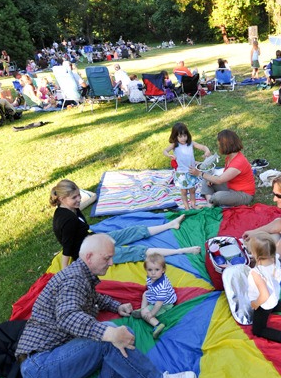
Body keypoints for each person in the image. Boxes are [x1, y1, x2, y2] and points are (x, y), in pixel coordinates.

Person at [15, 233, 197, 378]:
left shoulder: (79, 275)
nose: (111, 263)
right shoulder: (73, 281)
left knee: (121, 333)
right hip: (41, 368)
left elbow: (92, 298)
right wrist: (108, 333)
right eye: (107, 258)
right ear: (89, 257)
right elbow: (68, 316)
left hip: (46, 362)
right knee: (110, 336)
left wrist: (116, 306)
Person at [50, 179, 201, 269]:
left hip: (93, 240)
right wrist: (66, 272)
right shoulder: (67, 219)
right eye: (74, 198)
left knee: (133, 231)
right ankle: (182, 250)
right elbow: (67, 249)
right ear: (62, 199)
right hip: (91, 254)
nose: (79, 200)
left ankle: (170, 225)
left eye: (79, 196)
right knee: (137, 250)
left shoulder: (70, 209)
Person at [189, 129, 255, 207]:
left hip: (243, 194)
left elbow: (220, 180)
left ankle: (211, 201)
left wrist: (199, 173)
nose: (218, 146)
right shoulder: (230, 157)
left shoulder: (238, 162)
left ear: (225, 145)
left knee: (218, 196)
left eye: (220, 144)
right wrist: (212, 179)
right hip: (231, 186)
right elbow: (224, 177)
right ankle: (210, 203)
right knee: (207, 179)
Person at [164, 122, 211, 210]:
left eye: (185, 135)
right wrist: (168, 155)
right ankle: (186, 207)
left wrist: (207, 150)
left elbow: (202, 146)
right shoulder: (175, 145)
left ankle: (193, 205)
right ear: (175, 136)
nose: (183, 138)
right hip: (181, 173)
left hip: (191, 171)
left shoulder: (190, 143)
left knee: (192, 190)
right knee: (184, 191)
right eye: (180, 136)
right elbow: (165, 150)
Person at [132, 253, 177, 339]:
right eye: (150, 270)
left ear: (163, 270)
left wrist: (151, 314)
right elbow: (150, 288)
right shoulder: (152, 277)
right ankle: (142, 310)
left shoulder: (162, 287)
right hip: (155, 296)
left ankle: (157, 324)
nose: (153, 273)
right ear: (146, 269)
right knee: (145, 294)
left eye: (157, 269)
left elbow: (158, 304)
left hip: (165, 304)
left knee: (146, 313)